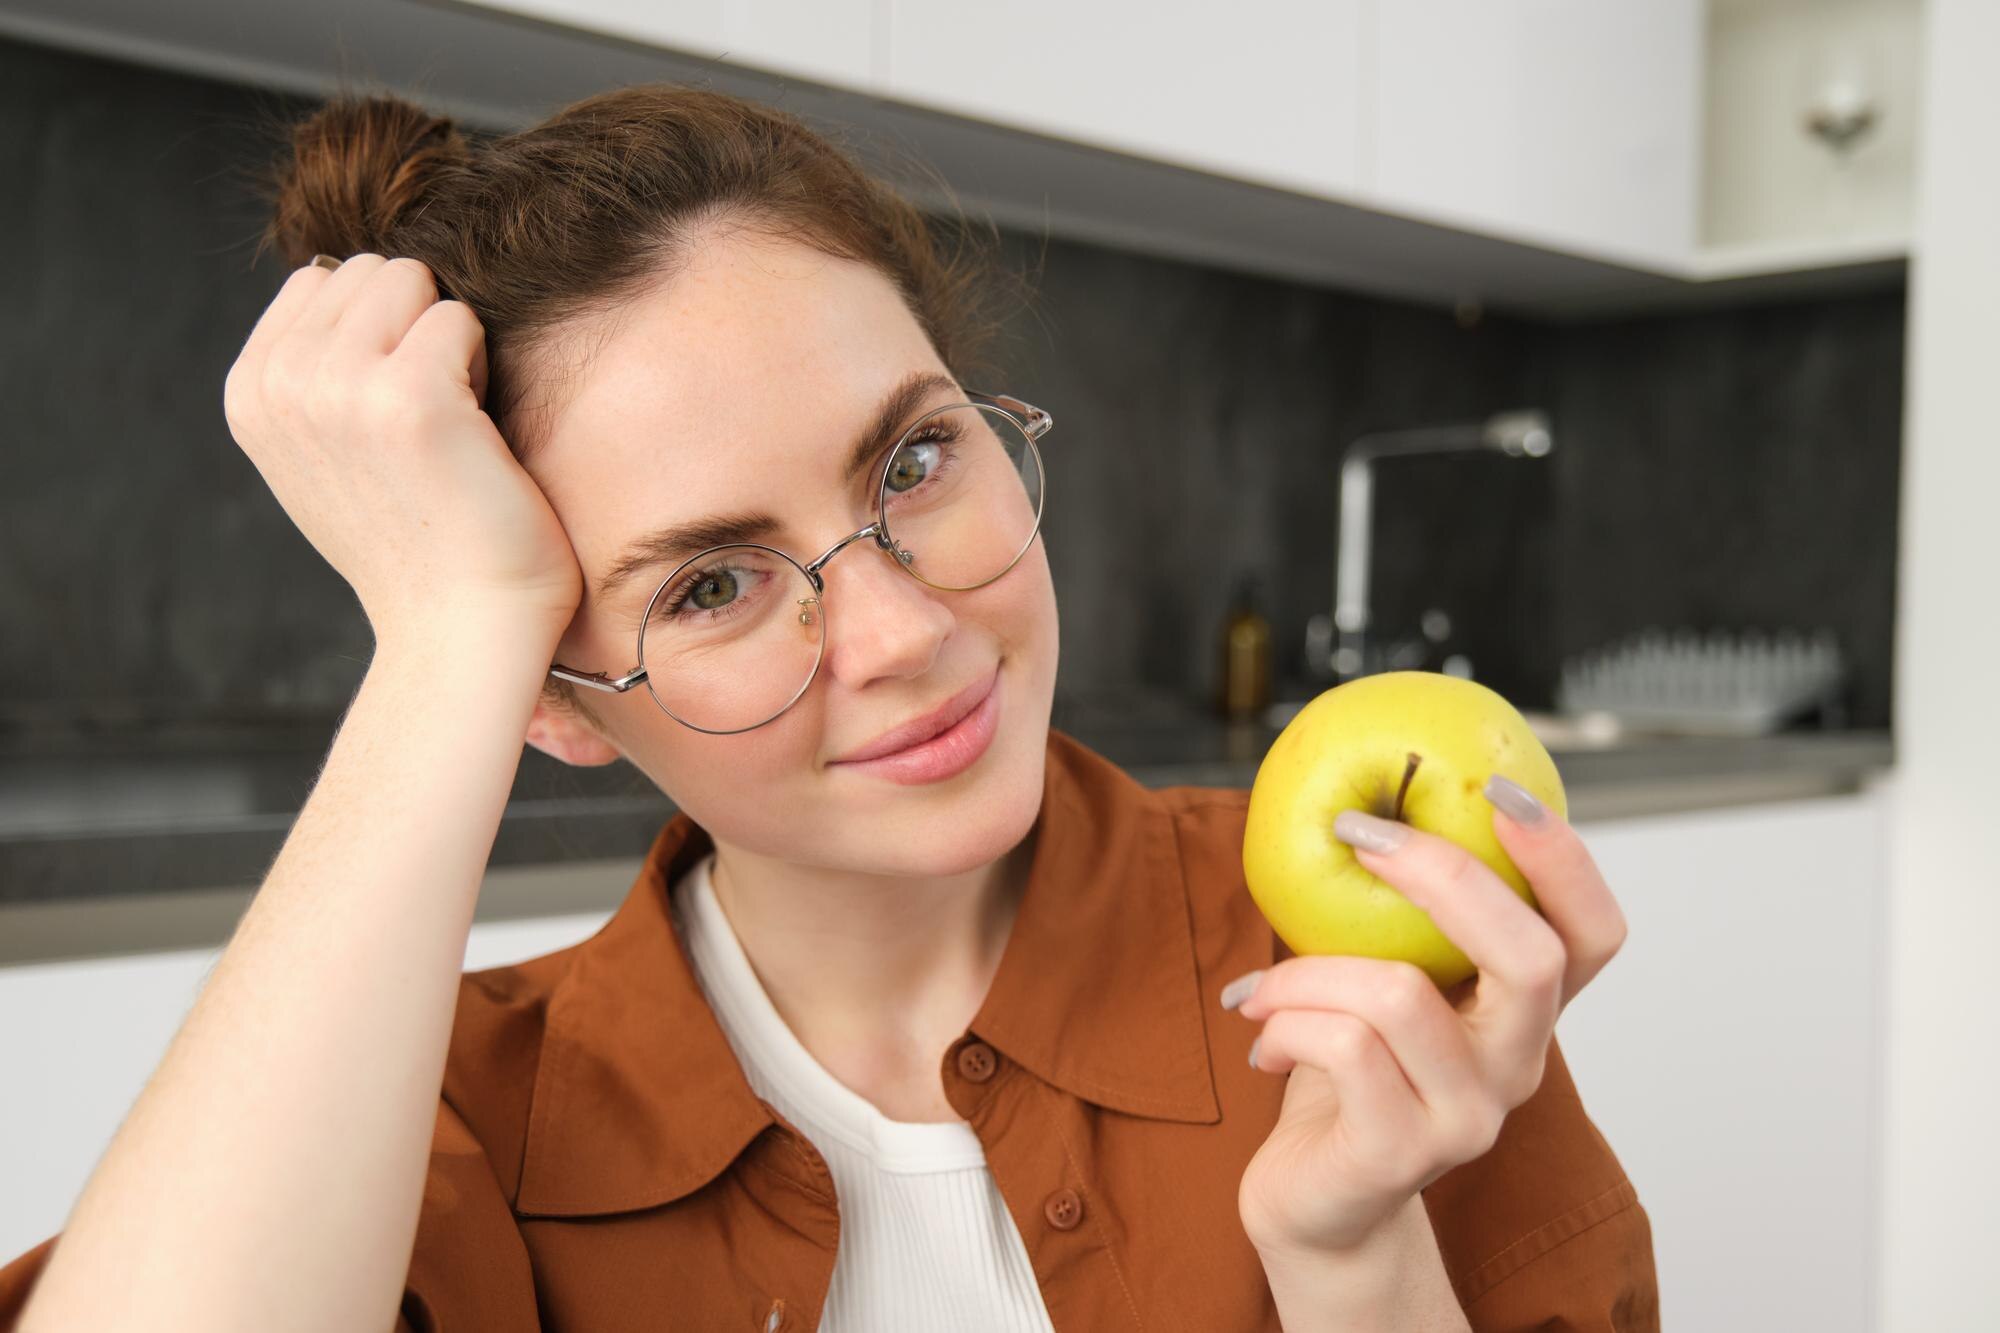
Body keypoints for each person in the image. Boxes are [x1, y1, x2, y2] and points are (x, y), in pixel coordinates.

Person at [0, 85, 1656, 1331]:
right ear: (558, 698)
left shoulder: (1374, 977)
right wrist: (445, 636)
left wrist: (1358, 1264)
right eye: (711, 583)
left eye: (915, 459)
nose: (902, 630)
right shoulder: (440, 1135)